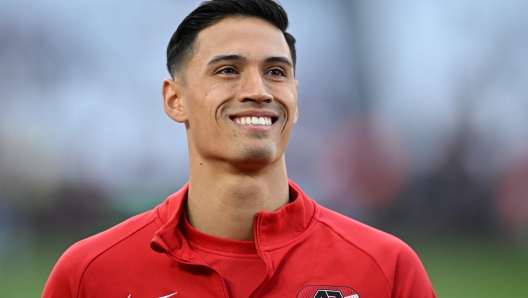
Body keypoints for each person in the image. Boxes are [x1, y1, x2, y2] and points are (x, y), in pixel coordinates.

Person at [43, 0, 436, 297]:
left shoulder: (387, 269)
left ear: (295, 99)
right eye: (228, 70)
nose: (258, 91)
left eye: (276, 72)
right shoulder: (89, 275)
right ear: (175, 100)